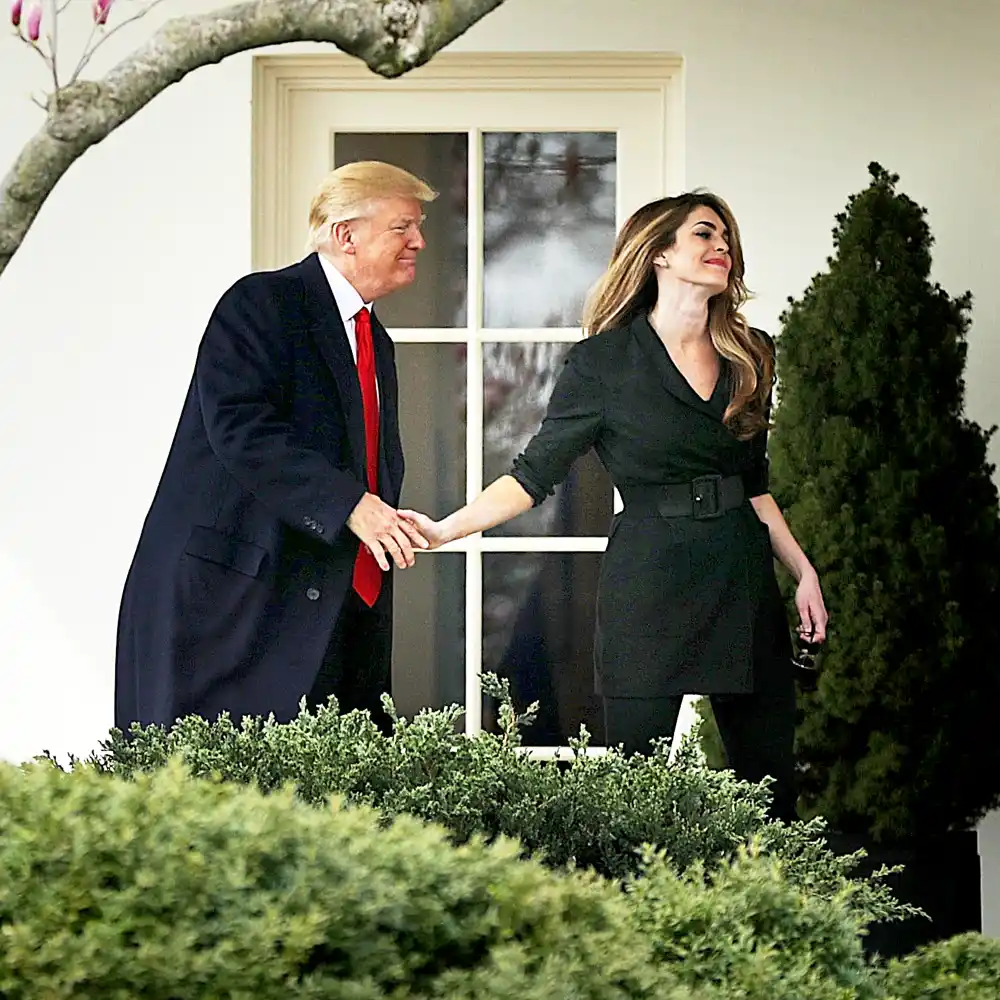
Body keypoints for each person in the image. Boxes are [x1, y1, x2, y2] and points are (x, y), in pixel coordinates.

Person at [401, 192, 827, 820]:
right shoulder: (602, 363)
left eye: (726, 239)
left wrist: (803, 572)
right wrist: (445, 529)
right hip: (650, 583)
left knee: (770, 795)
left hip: (740, 577)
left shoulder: (752, 353)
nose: (721, 247)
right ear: (659, 253)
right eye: (704, 234)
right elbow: (533, 474)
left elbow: (754, 484)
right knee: (635, 797)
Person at [115, 160, 433, 732]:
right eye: (402, 227)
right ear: (346, 235)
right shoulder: (263, 303)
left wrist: (385, 518)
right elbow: (241, 427)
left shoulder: (373, 339)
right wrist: (353, 506)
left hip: (328, 611)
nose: (418, 242)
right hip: (230, 610)